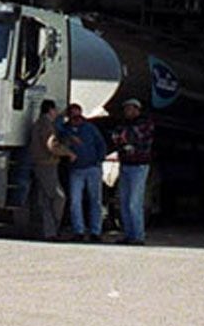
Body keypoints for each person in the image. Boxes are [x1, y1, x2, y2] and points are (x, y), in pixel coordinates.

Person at [59, 103, 108, 242]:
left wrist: (99, 160)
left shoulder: (90, 128)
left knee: (95, 200)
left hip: (92, 168)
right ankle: (78, 231)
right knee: (75, 201)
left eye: (78, 114)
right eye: (73, 115)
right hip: (76, 170)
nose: (76, 118)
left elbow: (101, 144)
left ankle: (95, 231)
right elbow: (57, 131)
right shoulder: (65, 130)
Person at [110, 98, 154, 245]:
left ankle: (138, 236)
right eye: (125, 109)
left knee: (134, 202)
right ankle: (128, 234)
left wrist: (125, 139)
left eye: (130, 108)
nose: (127, 111)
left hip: (139, 166)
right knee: (123, 202)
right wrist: (125, 140)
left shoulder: (146, 123)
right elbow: (115, 137)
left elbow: (135, 136)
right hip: (125, 165)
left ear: (137, 109)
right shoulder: (122, 124)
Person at [25, 100, 71, 239]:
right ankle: (55, 225)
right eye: (55, 109)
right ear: (50, 110)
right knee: (58, 197)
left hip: (39, 164)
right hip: (47, 165)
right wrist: (68, 153)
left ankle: (50, 232)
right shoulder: (46, 125)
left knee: (46, 200)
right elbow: (52, 145)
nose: (56, 112)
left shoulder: (39, 123)